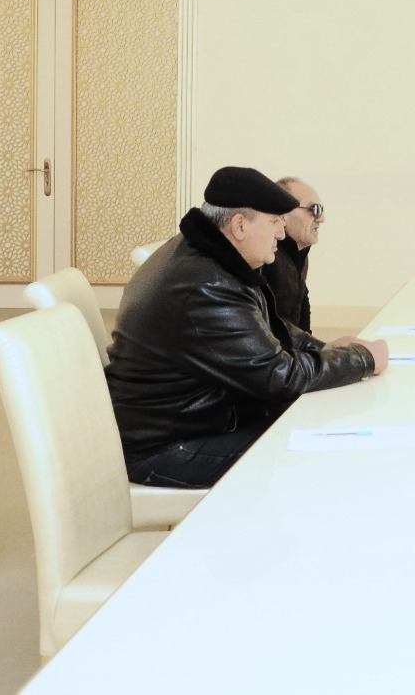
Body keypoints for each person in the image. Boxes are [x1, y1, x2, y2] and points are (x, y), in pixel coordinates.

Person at [106, 166, 388, 488]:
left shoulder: (206, 255)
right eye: (274, 222)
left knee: (319, 423)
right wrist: (363, 359)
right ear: (239, 225)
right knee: (317, 448)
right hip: (167, 449)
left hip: (196, 423)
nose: (281, 234)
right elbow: (279, 377)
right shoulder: (207, 286)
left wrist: (323, 349)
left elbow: (264, 326)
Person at [263, 175, 322, 331]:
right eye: (314, 209)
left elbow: (301, 319)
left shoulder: (299, 255)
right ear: (282, 214)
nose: (321, 218)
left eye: (321, 210)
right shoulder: (266, 256)